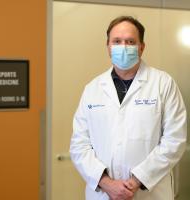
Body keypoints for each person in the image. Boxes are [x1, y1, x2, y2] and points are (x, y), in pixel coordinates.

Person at [70, 16, 187, 200]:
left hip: (149, 193)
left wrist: (136, 180)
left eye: (130, 41)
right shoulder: (92, 89)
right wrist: (107, 183)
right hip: (103, 194)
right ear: (108, 46)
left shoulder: (163, 84)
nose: (123, 47)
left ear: (142, 47)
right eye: (117, 41)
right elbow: (79, 145)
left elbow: (174, 140)